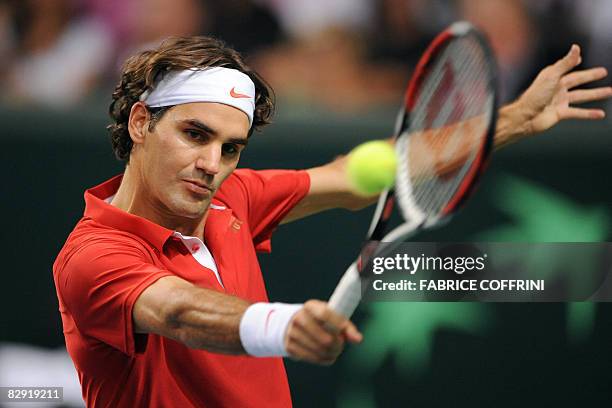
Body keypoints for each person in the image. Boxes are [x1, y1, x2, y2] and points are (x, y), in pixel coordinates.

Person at [53, 36, 611, 408]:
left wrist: (511, 118)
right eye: (195, 135)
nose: (211, 165)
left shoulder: (232, 199)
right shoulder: (91, 257)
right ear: (140, 123)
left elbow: (357, 176)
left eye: (231, 148)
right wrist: (283, 326)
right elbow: (176, 309)